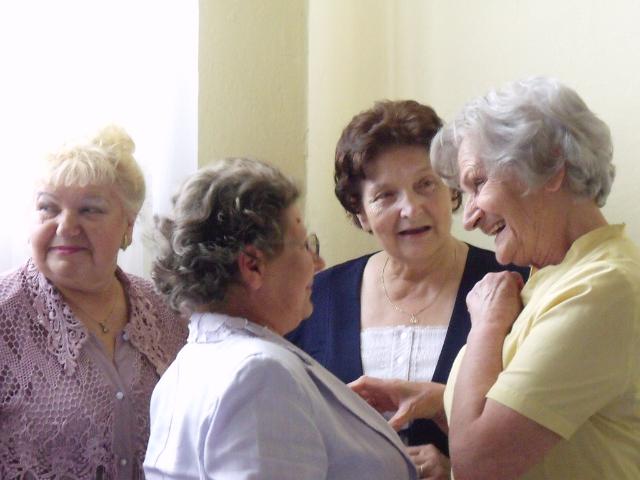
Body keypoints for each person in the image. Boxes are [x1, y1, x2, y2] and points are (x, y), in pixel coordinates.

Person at [351, 77, 640, 479]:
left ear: (551, 168)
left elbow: (479, 464)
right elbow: (534, 422)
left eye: (478, 183)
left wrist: (486, 326)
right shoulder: (553, 274)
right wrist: (437, 400)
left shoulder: (600, 288)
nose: (468, 216)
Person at [286, 100, 528, 478]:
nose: (411, 209)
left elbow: (544, 437)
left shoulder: (515, 284)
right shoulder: (315, 297)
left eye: (425, 184)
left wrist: (453, 470)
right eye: (385, 195)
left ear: (452, 191)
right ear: (360, 213)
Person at [143, 157, 417, 480]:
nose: (318, 262)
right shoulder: (259, 373)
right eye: (304, 245)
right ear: (253, 266)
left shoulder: (184, 368)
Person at [0, 126, 187, 479]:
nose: (66, 226)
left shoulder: (168, 311)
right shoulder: (6, 316)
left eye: (90, 210)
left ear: (127, 227)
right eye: (48, 208)